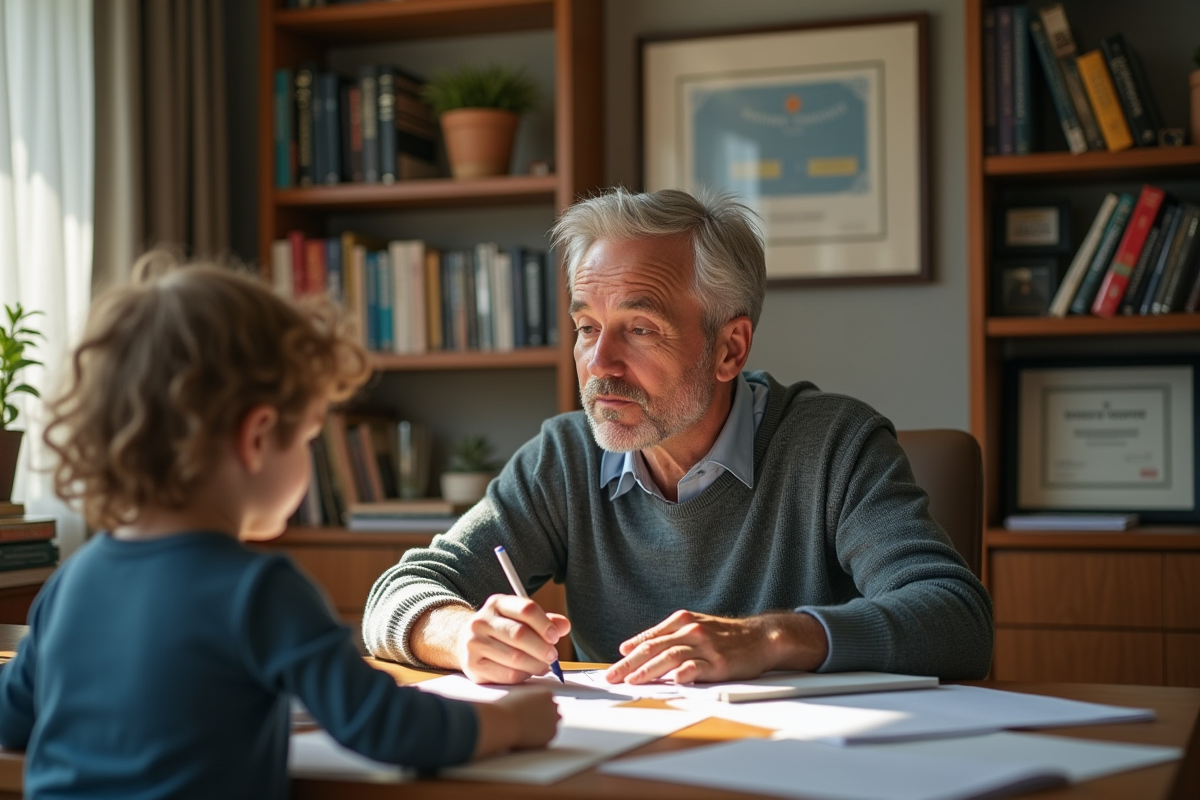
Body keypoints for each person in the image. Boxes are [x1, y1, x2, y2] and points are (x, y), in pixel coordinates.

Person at [362, 188, 993, 687]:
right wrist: (457, 635)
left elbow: (957, 619)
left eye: (638, 328)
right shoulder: (564, 456)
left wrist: (772, 640)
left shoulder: (834, 445)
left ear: (729, 347)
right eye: (587, 327)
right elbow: (398, 593)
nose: (598, 362)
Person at [0, 256, 558, 799]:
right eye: (309, 438)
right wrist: (508, 725)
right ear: (259, 437)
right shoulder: (261, 591)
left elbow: (14, 721)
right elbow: (382, 725)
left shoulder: (73, 581)